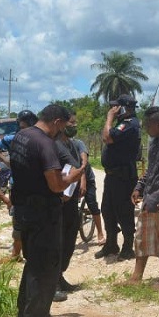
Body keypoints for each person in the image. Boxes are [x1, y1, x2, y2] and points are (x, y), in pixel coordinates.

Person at [10, 104, 84, 317]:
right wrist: (75, 175)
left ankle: (24, 314)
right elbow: (56, 185)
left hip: (24, 210)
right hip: (44, 213)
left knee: (33, 263)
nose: (62, 131)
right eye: (63, 125)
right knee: (46, 267)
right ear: (57, 122)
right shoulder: (45, 143)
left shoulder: (22, 136)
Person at [119, 106, 159, 289]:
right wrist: (139, 186)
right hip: (150, 199)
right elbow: (151, 170)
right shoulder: (154, 143)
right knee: (141, 237)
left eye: (148, 125)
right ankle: (136, 276)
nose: (146, 128)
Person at [94, 94, 141, 260]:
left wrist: (109, 118)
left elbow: (107, 137)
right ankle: (111, 245)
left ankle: (128, 247)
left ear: (123, 107)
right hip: (112, 176)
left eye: (115, 107)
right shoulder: (122, 123)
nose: (112, 109)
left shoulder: (130, 124)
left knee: (124, 212)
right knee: (107, 210)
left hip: (123, 177)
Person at [0, 110, 38, 259]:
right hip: (33, 186)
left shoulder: (12, 138)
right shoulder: (40, 137)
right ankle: (21, 252)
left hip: (19, 186)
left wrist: (5, 159)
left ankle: (17, 252)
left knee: (19, 219)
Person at [53, 111, 85, 301]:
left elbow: (78, 167)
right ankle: (54, 282)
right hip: (60, 200)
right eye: (72, 123)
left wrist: (81, 183)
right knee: (58, 241)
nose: (74, 126)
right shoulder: (54, 145)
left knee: (69, 238)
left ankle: (61, 275)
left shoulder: (71, 145)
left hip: (71, 198)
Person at [73, 136, 105, 246]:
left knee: (92, 203)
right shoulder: (58, 143)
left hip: (87, 178)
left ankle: (100, 233)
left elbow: (84, 161)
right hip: (71, 179)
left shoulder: (78, 143)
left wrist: (83, 180)